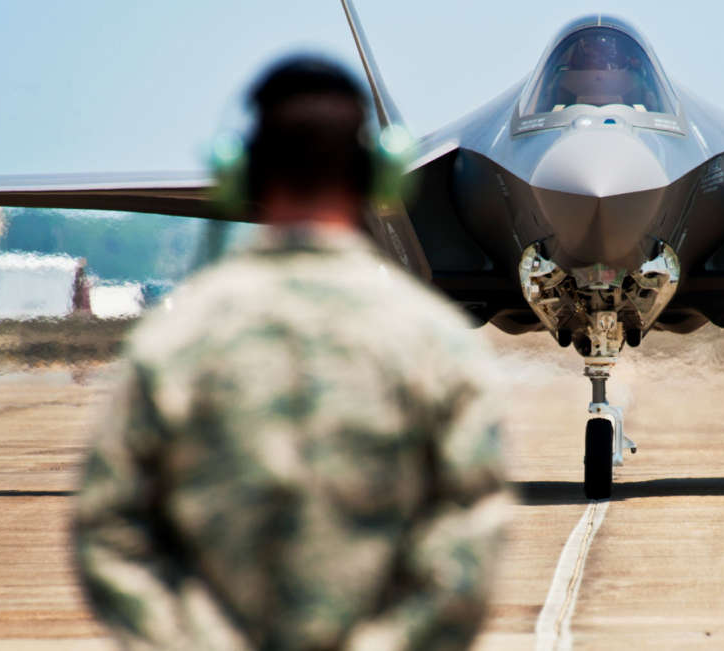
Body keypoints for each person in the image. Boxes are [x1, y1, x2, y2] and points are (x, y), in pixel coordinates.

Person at [74, 55, 510, 650]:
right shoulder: (437, 344)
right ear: (380, 175)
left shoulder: (176, 341)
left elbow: (109, 533)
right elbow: (469, 543)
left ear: (242, 173)